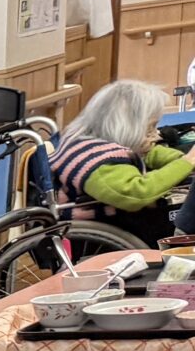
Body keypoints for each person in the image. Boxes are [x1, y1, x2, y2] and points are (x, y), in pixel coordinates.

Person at [48, 78, 194, 246]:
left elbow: (149, 153)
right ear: (127, 126)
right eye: (150, 128)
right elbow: (137, 193)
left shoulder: (90, 140)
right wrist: (187, 162)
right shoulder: (97, 163)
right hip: (105, 233)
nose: (156, 135)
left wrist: (182, 160)